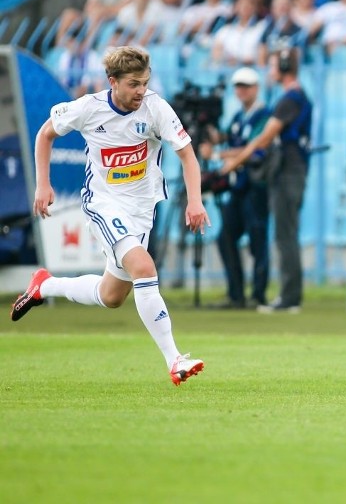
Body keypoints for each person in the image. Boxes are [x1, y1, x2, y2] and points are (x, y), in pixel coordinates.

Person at [10, 46, 210, 386]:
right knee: (145, 268)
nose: (141, 91)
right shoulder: (89, 108)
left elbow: (188, 157)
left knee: (112, 296)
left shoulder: (156, 108)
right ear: (112, 81)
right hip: (104, 204)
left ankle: (45, 285)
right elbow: (45, 134)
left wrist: (195, 201)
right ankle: (174, 359)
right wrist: (42, 185)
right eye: (133, 84)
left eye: (144, 82)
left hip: (142, 209)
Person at [221, 45, 312, 313]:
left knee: (285, 235)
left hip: (287, 172)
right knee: (286, 234)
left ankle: (290, 298)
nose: (270, 71)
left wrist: (235, 162)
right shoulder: (294, 97)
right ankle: (289, 296)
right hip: (291, 171)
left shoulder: (290, 99)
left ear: (283, 68)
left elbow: (264, 138)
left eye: (273, 66)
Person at [206, 67, 272, 309]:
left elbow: (255, 146)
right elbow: (230, 138)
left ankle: (258, 294)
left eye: (246, 86)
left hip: (256, 184)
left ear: (256, 88)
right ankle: (236, 294)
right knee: (226, 238)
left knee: (257, 239)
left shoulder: (264, 115)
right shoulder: (238, 117)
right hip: (238, 187)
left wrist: (218, 153)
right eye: (238, 87)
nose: (241, 91)